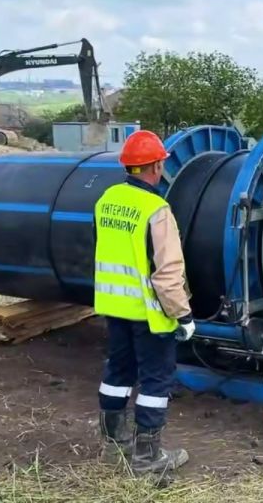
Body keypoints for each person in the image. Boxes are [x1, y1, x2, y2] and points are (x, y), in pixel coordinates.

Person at [93, 129, 195, 475]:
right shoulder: (156, 209)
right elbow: (166, 273)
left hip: (113, 305)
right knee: (156, 380)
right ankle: (148, 458)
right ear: (154, 166)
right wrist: (183, 315)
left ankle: (113, 443)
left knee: (118, 371)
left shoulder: (106, 199)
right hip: (148, 313)